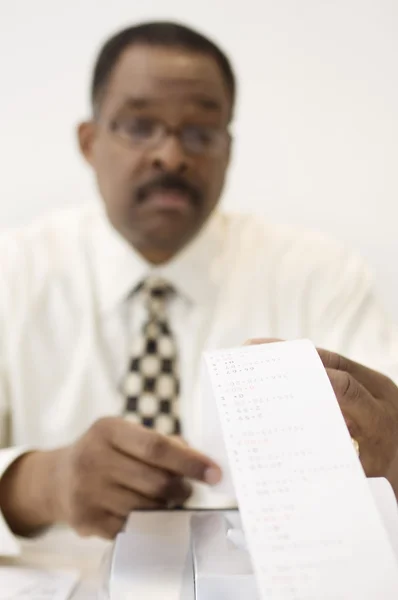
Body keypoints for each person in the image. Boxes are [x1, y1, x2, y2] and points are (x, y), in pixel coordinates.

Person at [0, 21, 398, 545]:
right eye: (140, 126)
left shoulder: (322, 277)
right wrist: (40, 484)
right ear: (90, 142)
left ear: (228, 151)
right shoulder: (13, 271)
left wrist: (392, 462)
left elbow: (385, 459)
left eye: (200, 134)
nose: (171, 156)